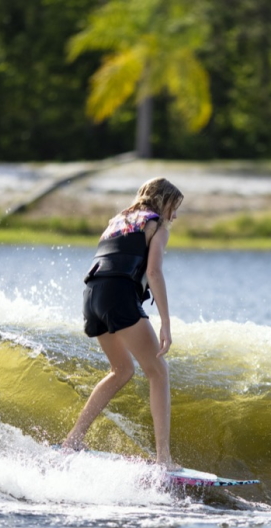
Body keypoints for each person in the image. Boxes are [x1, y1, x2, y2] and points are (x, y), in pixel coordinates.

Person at [61, 177, 183, 470]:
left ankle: (73, 439)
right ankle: (163, 459)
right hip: (118, 295)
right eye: (174, 207)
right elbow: (153, 272)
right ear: (162, 202)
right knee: (159, 372)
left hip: (92, 297)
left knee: (122, 370)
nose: (175, 216)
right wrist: (166, 323)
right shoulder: (157, 226)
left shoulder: (118, 221)